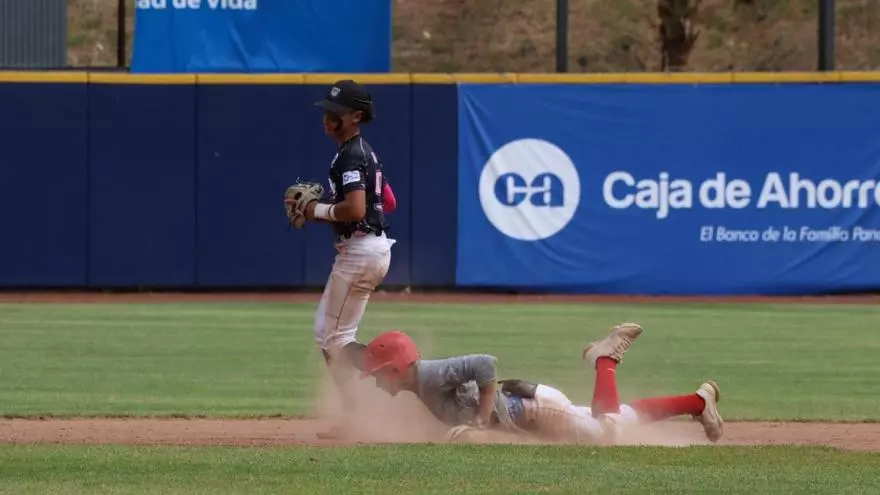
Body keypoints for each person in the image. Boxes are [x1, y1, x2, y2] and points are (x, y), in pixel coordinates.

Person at [359, 324, 723, 445]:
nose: (376, 384)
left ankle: (605, 359)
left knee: (608, 432)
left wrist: (482, 420)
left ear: (394, 370)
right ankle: (698, 402)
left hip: (531, 409)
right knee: (620, 418)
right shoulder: (421, 384)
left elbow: (485, 365)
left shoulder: (427, 375)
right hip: (528, 404)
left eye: (377, 375)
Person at [295, 79, 398, 439]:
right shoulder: (364, 152)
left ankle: (394, 375)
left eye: (336, 113)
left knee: (331, 336)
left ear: (356, 116)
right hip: (371, 248)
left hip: (360, 251)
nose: (328, 118)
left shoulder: (352, 155)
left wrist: (316, 210)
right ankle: (388, 381)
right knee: (333, 334)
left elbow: (355, 208)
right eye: (327, 111)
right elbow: (389, 202)